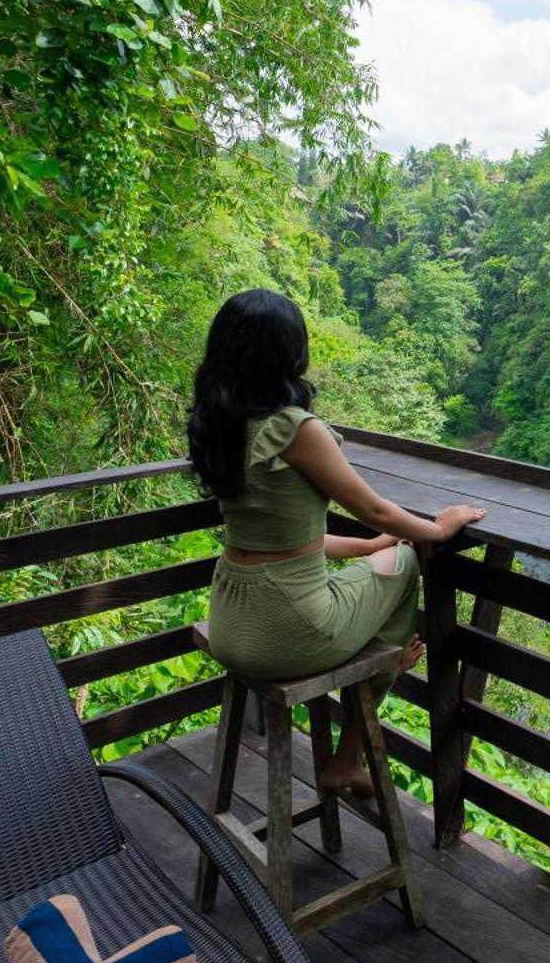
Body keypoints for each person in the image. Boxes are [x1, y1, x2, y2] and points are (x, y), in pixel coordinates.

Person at [187, 288, 486, 797]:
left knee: (382, 557)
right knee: (407, 566)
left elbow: (287, 541)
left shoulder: (219, 426)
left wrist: (369, 547)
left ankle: (385, 662)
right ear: (289, 351)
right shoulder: (294, 428)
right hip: (287, 629)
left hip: (230, 624)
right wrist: (438, 527)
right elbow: (371, 510)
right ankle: (351, 751)